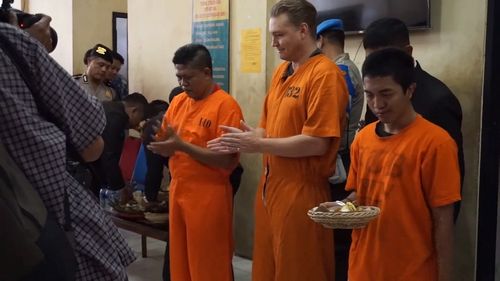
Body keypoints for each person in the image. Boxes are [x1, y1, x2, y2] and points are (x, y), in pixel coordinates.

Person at [208, 1, 349, 280]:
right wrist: (248, 137)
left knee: (299, 270)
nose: (273, 43)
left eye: (279, 35)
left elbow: (317, 142)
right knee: (268, 268)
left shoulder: (325, 74)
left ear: (303, 31)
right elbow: (267, 129)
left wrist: (258, 145)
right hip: (270, 189)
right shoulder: (282, 72)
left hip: (302, 193)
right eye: (272, 35)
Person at [0, 17, 135, 281]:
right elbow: (88, 136)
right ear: (88, 62)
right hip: (59, 171)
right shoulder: (75, 81)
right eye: (101, 65)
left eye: (111, 68)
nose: (106, 71)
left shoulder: (111, 92)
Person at [322, 47, 460, 281]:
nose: (377, 104)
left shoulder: (436, 143)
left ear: (410, 90)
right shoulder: (363, 139)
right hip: (362, 266)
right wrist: (340, 207)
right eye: (370, 94)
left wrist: (443, 275)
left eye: (386, 94)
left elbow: (443, 220)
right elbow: (361, 195)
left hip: (411, 270)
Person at [148, 43, 243, 281]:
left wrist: (182, 146)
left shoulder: (226, 106)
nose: (182, 83)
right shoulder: (179, 102)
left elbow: (226, 161)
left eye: (188, 77)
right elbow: (167, 141)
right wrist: (160, 145)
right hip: (178, 190)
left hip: (208, 197)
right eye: (179, 77)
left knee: (208, 265)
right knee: (180, 264)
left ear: (207, 73)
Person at [361, 18, 464, 220]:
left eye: (385, 58)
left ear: (407, 52)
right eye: (371, 61)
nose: (378, 104)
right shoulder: (375, 93)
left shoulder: (438, 101)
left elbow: (448, 187)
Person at [316, 18, 364, 281]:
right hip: (338, 159)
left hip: (339, 163)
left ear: (321, 40)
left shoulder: (340, 72)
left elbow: (335, 120)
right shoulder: (342, 68)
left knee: (337, 237)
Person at [90, 93, 149, 198]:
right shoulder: (115, 118)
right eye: (139, 120)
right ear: (134, 111)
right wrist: (120, 188)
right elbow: (109, 156)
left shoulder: (110, 108)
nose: (137, 125)